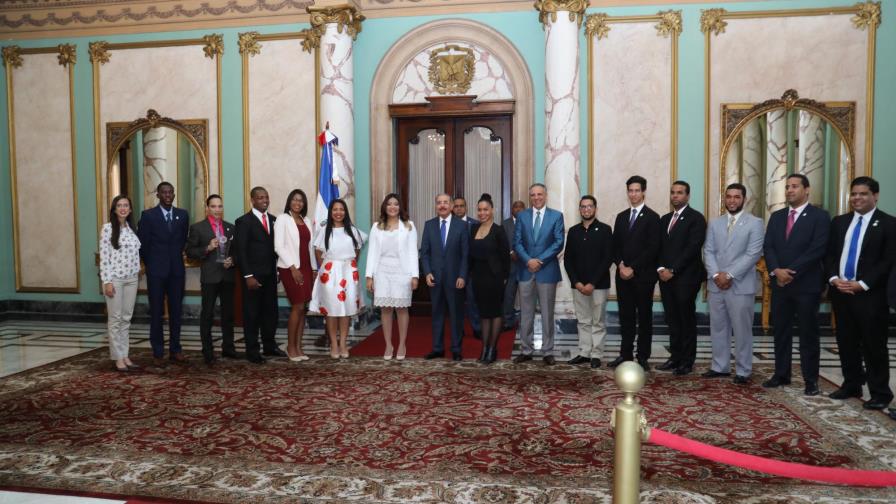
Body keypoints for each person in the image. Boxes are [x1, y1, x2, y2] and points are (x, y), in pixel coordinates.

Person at [825, 176, 895, 410]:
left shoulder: (888, 224)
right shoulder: (839, 222)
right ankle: (852, 384)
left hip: (870, 295)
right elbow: (830, 255)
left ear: (875, 196)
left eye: (863, 194)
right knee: (846, 342)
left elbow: (887, 261)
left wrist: (863, 283)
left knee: (874, 345)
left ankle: (880, 393)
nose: (857, 198)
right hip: (841, 291)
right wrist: (834, 279)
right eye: (854, 193)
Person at [762, 173, 830, 396]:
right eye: (787, 187)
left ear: (807, 190)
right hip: (780, 284)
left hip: (806, 285)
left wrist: (791, 271)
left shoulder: (819, 216)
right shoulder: (778, 216)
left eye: (794, 186)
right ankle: (781, 374)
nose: (790, 190)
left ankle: (811, 380)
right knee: (780, 331)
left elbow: (818, 249)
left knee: (808, 334)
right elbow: (769, 246)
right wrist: (776, 270)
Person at [702, 183, 764, 384]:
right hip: (716, 284)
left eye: (736, 197)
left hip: (740, 284)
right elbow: (708, 251)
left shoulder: (755, 223)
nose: (732, 200)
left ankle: (743, 370)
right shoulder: (715, 223)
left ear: (744, 199)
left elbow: (753, 254)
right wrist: (715, 275)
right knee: (718, 327)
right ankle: (720, 366)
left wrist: (728, 275)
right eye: (729, 196)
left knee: (741, 329)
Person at [609, 175, 661, 371]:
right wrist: (621, 265)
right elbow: (615, 246)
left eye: (637, 190)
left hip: (643, 277)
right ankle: (625, 354)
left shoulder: (652, 217)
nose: (633, 194)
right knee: (626, 317)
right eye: (630, 190)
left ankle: (643, 356)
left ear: (644, 192)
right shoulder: (622, 217)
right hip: (623, 276)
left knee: (644, 317)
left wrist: (634, 267)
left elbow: (652, 248)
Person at [656, 181, 706, 376]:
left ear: (687, 196)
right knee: (672, 319)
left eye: (679, 193)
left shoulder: (696, 218)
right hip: (665, 278)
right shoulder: (664, 219)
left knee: (686, 320)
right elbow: (658, 246)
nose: (675, 196)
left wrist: (673, 270)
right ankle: (675, 357)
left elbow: (692, 248)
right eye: (672, 193)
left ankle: (687, 361)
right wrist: (661, 268)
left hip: (687, 278)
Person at [137, 181, 189, 366]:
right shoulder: (148, 216)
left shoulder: (183, 215)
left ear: (174, 195)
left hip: (176, 271)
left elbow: (183, 240)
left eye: (170, 192)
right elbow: (142, 245)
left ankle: (176, 349)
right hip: (156, 272)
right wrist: (151, 264)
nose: (168, 195)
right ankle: (158, 352)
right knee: (157, 312)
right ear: (157, 195)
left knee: (176, 311)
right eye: (164, 192)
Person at [512, 183, 565, 365]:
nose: (536, 198)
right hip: (526, 270)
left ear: (546, 195)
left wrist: (539, 260)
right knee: (525, 313)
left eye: (539, 194)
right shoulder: (522, 216)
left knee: (547, 313)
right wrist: (528, 260)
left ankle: (547, 351)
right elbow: (517, 242)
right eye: (533, 195)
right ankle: (526, 349)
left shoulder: (556, 216)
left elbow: (558, 242)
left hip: (547, 270)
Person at [185, 194, 239, 365]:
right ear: (207, 208)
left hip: (227, 276)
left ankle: (229, 348)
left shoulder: (231, 227)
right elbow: (190, 252)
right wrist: (207, 247)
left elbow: (237, 251)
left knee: (228, 315)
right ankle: (207, 351)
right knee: (207, 314)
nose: (217, 210)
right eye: (214, 206)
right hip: (209, 277)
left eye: (220, 206)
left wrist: (233, 260)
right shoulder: (198, 228)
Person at [309, 199, 366, 359]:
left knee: (346, 310)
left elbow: (357, 251)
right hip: (329, 274)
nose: (338, 212)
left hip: (348, 272)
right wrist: (327, 269)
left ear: (345, 212)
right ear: (331, 212)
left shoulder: (353, 231)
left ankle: (343, 343)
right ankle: (334, 343)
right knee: (332, 309)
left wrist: (348, 266)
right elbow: (318, 252)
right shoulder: (324, 230)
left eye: (341, 209)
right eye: (335, 209)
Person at [365, 193, 419, 361]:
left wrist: (415, 276)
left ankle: (402, 343)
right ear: (385, 207)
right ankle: (388, 344)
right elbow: (372, 253)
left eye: (396, 204)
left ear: (400, 207)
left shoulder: (409, 226)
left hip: (402, 272)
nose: (393, 207)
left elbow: (412, 252)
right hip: (381, 272)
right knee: (386, 309)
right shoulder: (377, 227)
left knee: (402, 309)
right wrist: (369, 276)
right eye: (389, 204)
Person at [234, 186, 284, 364]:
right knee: (252, 314)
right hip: (253, 277)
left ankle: (269, 346)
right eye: (260, 197)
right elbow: (241, 251)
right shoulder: (244, 221)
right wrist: (248, 276)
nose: (264, 200)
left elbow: (277, 249)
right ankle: (252, 350)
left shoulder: (274, 220)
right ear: (252, 200)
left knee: (271, 312)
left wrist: (278, 270)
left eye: (266, 197)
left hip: (270, 275)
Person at [564, 195, 613, 369]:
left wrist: (592, 282)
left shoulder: (606, 230)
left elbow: (607, 258)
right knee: (583, 320)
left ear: (595, 208)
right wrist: (576, 282)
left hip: (598, 285)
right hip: (578, 286)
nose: (586, 210)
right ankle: (584, 352)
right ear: (580, 210)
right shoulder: (574, 231)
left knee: (597, 321)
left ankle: (596, 354)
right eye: (583, 207)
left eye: (589, 206)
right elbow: (568, 260)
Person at [420, 193, 469, 361]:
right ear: (436, 206)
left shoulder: (461, 226)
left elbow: (465, 254)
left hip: (455, 279)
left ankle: (456, 348)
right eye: (439, 203)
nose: (442, 205)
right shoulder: (429, 225)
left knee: (456, 316)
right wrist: (427, 272)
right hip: (434, 279)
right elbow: (424, 253)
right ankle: (437, 348)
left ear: (451, 205)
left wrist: (463, 275)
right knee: (437, 314)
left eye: (445, 202)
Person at [100, 195, 141, 372]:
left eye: (126, 205)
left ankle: (124, 354)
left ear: (130, 209)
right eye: (119, 205)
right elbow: (104, 258)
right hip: (115, 279)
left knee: (126, 318)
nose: (123, 208)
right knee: (115, 319)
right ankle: (117, 357)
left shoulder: (132, 229)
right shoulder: (107, 229)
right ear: (114, 209)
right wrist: (107, 281)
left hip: (132, 279)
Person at [274, 189, 316, 362]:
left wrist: (313, 269)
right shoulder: (283, 219)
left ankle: (299, 347)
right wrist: (292, 268)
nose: (298, 203)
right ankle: (290, 348)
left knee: (303, 308)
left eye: (301, 200)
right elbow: (279, 246)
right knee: (297, 306)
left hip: (306, 267)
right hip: (290, 268)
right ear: (289, 202)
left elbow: (310, 247)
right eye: (294, 199)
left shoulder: (305, 220)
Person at [469, 194, 510, 364]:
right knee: (484, 315)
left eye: (485, 209)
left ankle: (492, 349)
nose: (482, 213)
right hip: (478, 278)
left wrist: (504, 279)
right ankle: (484, 349)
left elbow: (505, 258)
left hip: (495, 279)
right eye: (479, 210)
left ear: (492, 210)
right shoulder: (473, 229)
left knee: (495, 313)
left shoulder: (499, 230)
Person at [454, 196, 482, 340]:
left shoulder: (476, 224)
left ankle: (477, 328)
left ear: (466, 207)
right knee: (456, 303)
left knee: (473, 301)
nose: (459, 208)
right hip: (454, 271)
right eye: (456, 206)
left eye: (461, 206)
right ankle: (458, 330)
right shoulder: (448, 224)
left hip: (472, 271)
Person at [502, 200, 526, 331]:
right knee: (509, 294)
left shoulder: (529, 223)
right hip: (510, 265)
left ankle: (526, 320)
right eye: (515, 207)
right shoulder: (505, 224)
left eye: (521, 207)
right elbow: (501, 242)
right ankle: (508, 320)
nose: (518, 209)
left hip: (525, 265)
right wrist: (510, 252)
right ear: (512, 210)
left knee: (526, 294)